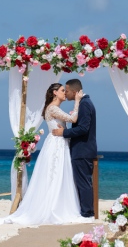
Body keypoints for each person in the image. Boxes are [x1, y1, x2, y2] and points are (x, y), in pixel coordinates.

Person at [5, 83, 89, 225]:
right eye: (63, 90)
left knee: (60, 175)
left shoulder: (54, 108)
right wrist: (77, 101)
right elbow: (74, 119)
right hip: (56, 144)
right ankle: (52, 208)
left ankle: (58, 205)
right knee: (54, 175)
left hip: (60, 143)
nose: (65, 93)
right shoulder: (52, 108)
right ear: (55, 92)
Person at [51, 78, 97, 218]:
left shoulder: (84, 104)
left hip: (82, 150)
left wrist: (63, 133)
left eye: (67, 91)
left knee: (83, 183)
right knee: (82, 182)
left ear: (74, 91)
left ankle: (87, 212)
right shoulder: (85, 103)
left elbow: (83, 128)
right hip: (82, 149)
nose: (66, 93)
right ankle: (85, 211)